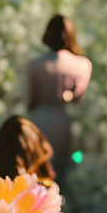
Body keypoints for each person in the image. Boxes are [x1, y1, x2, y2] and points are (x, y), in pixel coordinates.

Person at [26, 14, 92, 187]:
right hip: (63, 119)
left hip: (39, 118)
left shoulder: (35, 64)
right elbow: (77, 97)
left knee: (36, 171)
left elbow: (30, 100)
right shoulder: (82, 64)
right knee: (59, 173)